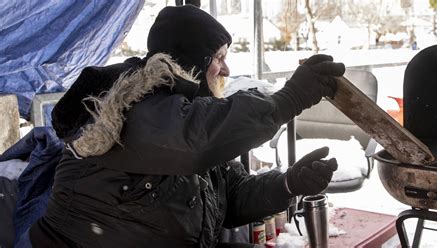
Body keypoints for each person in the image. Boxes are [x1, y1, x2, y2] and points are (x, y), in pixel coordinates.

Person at [26, 5, 345, 248]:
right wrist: (288, 99)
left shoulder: (186, 111)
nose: (226, 69)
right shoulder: (125, 104)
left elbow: (229, 197)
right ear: (194, 62)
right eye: (218, 58)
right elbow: (197, 141)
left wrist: (287, 184)